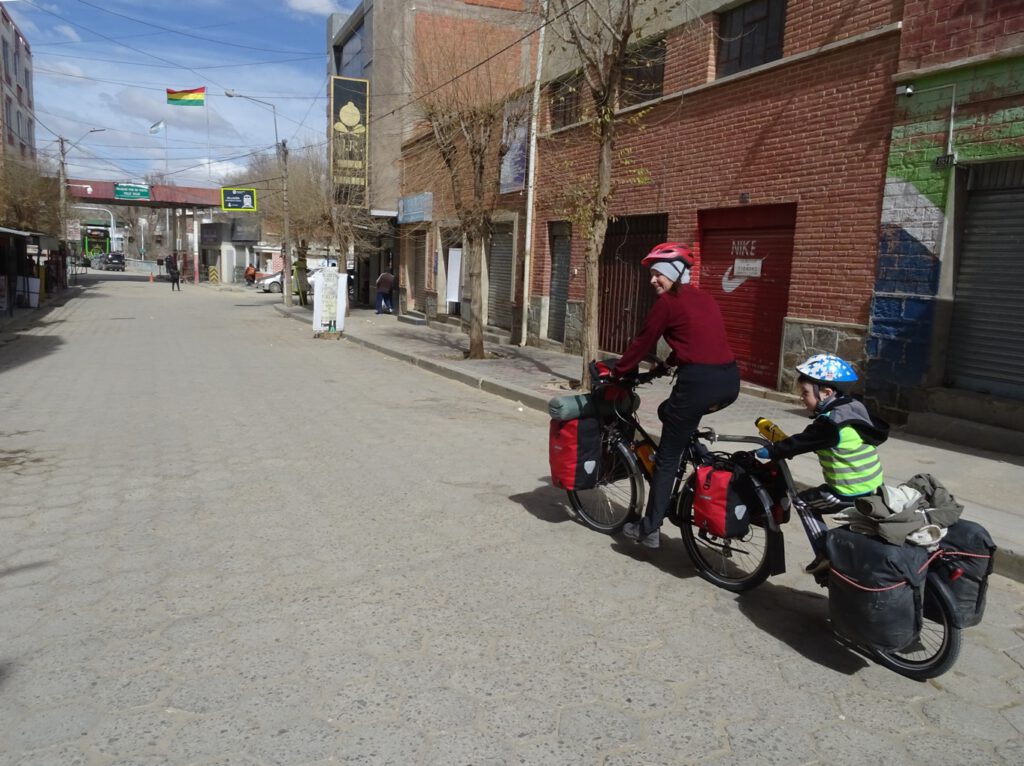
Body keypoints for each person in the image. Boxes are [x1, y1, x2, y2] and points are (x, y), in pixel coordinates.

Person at [613, 242, 740, 549]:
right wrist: (667, 365)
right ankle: (694, 452)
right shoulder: (706, 298)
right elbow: (694, 338)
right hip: (729, 381)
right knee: (669, 413)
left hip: (698, 383)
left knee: (667, 458)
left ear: (676, 273)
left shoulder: (667, 303)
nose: (654, 280)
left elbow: (643, 342)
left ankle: (649, 528)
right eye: (653, 275)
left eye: (659, 274)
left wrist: (619, 372)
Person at [757, 354, 890, 575]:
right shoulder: (854, 408)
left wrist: (772, 450)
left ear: (826, 393)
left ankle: (824, 553)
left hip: (847, 491)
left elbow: (802, 442)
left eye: (806, 393)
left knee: (803, 502)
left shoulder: (830, 423)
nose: (802, 398)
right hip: (874, 488)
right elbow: (817, 442)